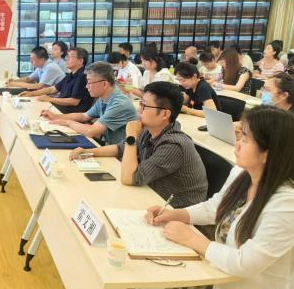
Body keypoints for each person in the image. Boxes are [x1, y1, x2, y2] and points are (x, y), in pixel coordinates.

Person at [135, 106, 294, 289]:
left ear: (268, 152)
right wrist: (176, 214)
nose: (237, 143)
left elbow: (245, 263)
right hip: (223, 280)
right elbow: (215, 207)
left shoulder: (286, 205)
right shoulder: (243, 172)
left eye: (245, 138)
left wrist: (191, 238)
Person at [70, 82, 207, 208]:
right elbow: (120, 148)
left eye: (145, 105)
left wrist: (131, 136)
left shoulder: (174, 145)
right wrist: (89, 152)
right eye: (141, 103)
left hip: (176, 211)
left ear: (164, 114)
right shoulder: (150, 129)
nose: (140, 109)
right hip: (152, 195)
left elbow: (129, 177)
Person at [41, 61, 138, 144]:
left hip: (121, 154)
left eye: (90, 82)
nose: (87, 86)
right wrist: (56, 116)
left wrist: (67, 122)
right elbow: (84, 116)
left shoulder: (119, 104)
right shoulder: (104, 97)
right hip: (110, 146)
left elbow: (90, 131)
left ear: (104, 84)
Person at [18, 47, 93, 113]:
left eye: (70, 57)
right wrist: (31, 93)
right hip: (62, 108)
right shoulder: (70, 75)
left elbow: (74, 101)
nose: (66, 59)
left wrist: (50, 99)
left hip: (70, 112)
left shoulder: (83, 76)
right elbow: (53, 89)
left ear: (80, 61)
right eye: (67, 56)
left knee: (35, 110)